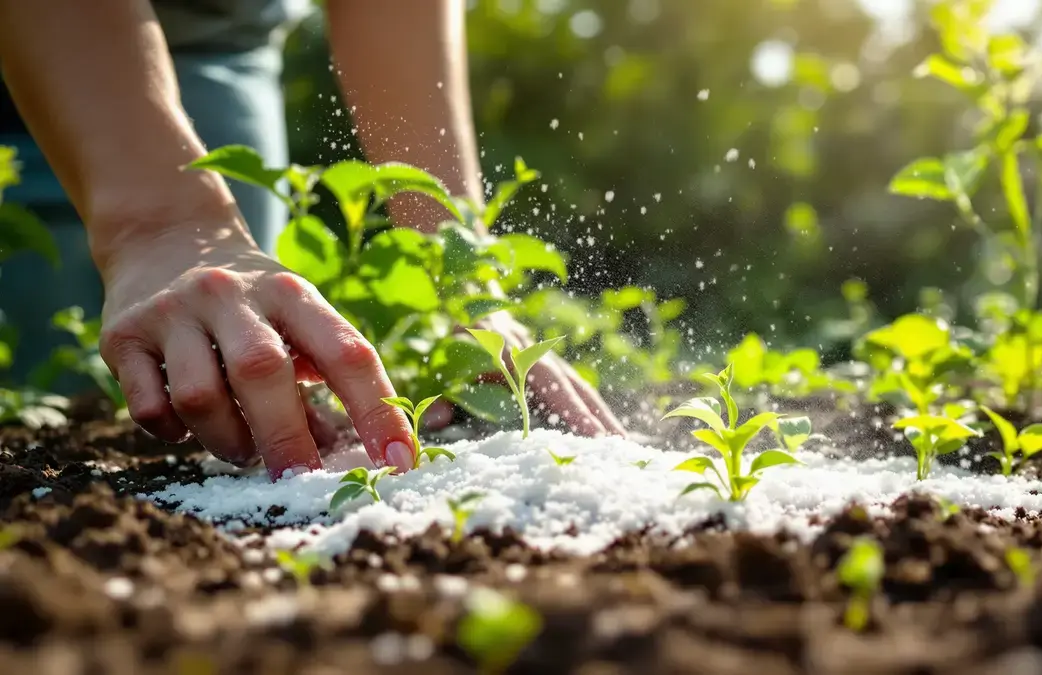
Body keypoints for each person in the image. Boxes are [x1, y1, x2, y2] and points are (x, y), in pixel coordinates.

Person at [0, 0, 625, 481]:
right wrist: (160, 224)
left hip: (222, 39)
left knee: (221, 369)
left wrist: (460, 284)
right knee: (49, 397)